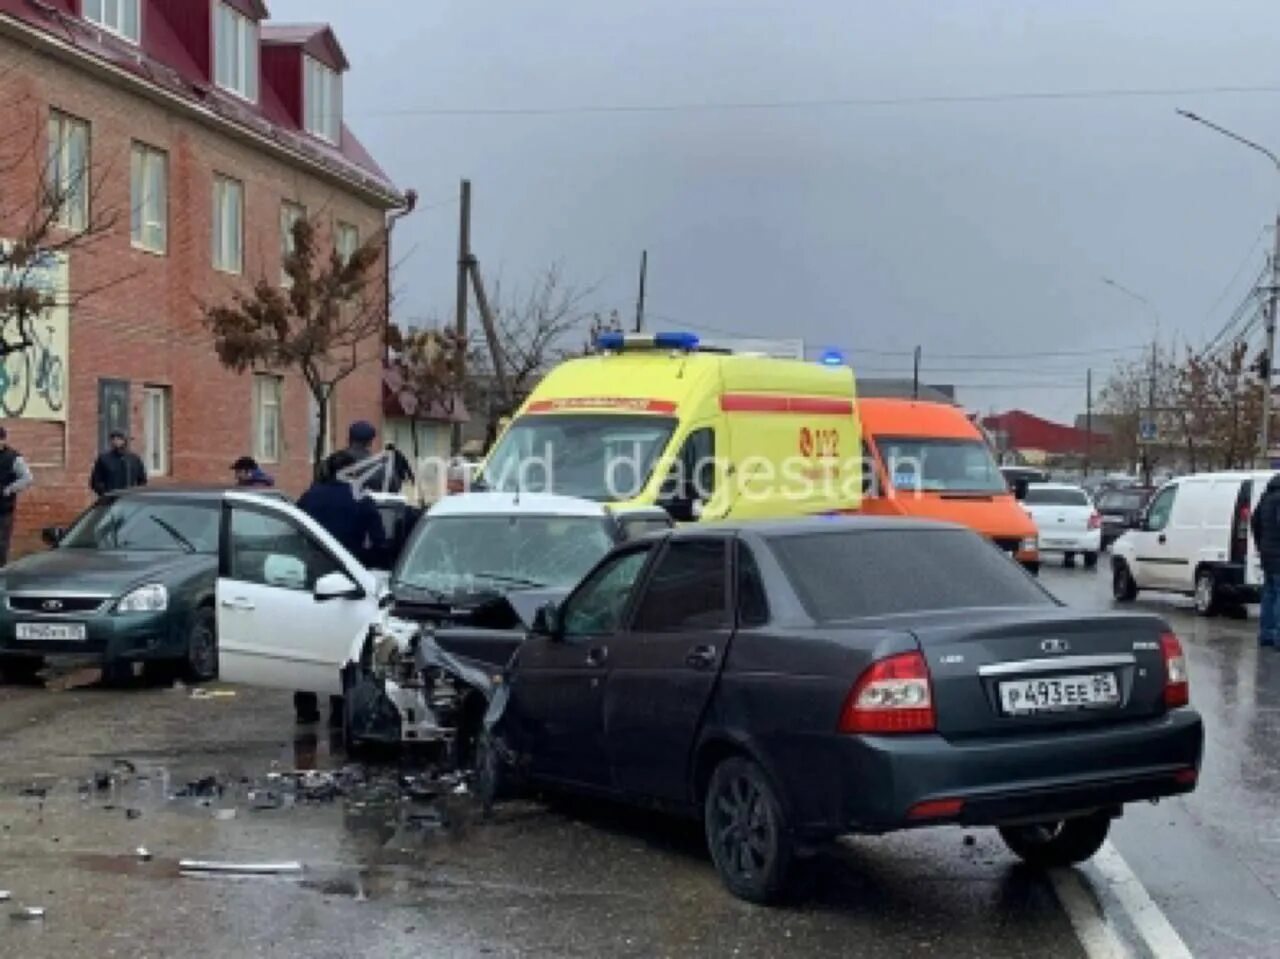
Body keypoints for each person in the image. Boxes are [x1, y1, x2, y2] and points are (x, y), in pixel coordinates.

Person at [297, 450, 387, 566]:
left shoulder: (310, 496)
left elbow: (296, 528)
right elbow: (378, 540)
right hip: (351, 566)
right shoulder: (362, 499)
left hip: (315, 565)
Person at [1251, 472, 1280, 649]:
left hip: (1267, 554)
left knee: (1269, 593)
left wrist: (1260, 545)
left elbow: (1254, 522)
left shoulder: (1266, 497)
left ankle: (1266, 634)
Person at [0, 427, 34, 566]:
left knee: (1, 544)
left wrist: (8, 490)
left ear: (2, 439)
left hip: (3, 509)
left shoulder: (13, 458)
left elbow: (27, 478)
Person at [89, 431, 146, 497]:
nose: (116, 441)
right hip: (111, 500)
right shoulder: (104, 459)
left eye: (119, 438)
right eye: (113, 439)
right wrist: (105, 493)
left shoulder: (134, 459)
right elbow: (96, 481)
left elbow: (142, 481)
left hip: (130, 499)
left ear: (125, 440)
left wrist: (136, 493)